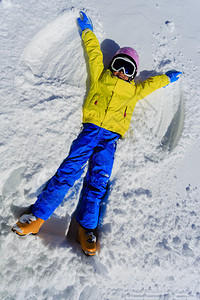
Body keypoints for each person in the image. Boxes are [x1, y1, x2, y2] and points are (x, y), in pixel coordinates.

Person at [12, 11, 181, 256]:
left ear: (133, 74)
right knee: (68, 172)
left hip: (110, 139)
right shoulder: (101, 77)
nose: (121, 71)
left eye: (128, 69)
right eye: (118, 65)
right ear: (112, 65)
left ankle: (87, 230)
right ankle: (37, 218)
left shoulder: (133, 92)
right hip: (90, 131)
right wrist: (87, 31)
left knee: (98, 181)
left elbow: (151, 84)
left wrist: (166, 78)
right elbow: (93, 53)